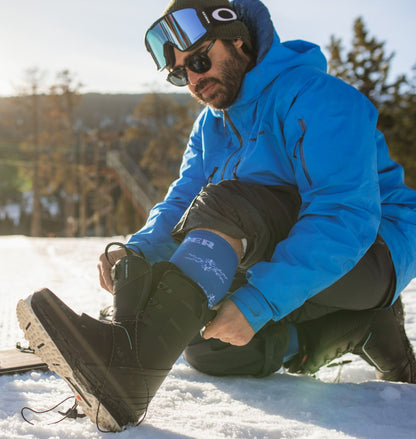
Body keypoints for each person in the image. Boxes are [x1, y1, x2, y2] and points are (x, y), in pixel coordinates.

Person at [17, 0, 416, 432]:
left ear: (239, 40)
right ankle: (362, 328)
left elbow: (344, 216)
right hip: (300, 258)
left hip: (373, 251)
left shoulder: (320, 98)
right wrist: (138, 253)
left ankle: (127, 375)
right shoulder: (211, 126)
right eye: (180, 73)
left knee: (229, 204)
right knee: (199, 340)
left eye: (200, 60)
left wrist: (258, 301)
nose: (193, 78)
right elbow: (181, 202)